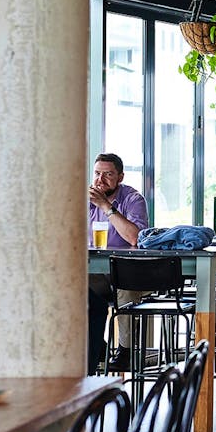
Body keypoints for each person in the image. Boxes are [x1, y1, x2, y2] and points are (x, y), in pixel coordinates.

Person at [88, 152, 148, 375]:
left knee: (125, 286)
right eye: (97, 174)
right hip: (96, 273)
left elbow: (135, 237)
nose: (100, 180)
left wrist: (106, 207)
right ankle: (95, 348)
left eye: (108, 174)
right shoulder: (85, 199)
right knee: (72, 286)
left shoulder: (133, 200)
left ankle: (126, 351)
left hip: (130, 272)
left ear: (120, 177)